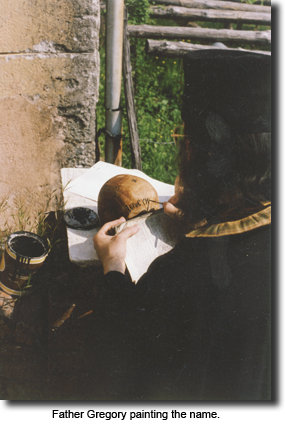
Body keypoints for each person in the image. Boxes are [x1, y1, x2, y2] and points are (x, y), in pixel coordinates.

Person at [93, 48, 271, 400]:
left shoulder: (187, 271)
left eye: (188, 141)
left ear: (205, 155)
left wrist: (112, 265)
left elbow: (129, 339)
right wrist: (205, 219)